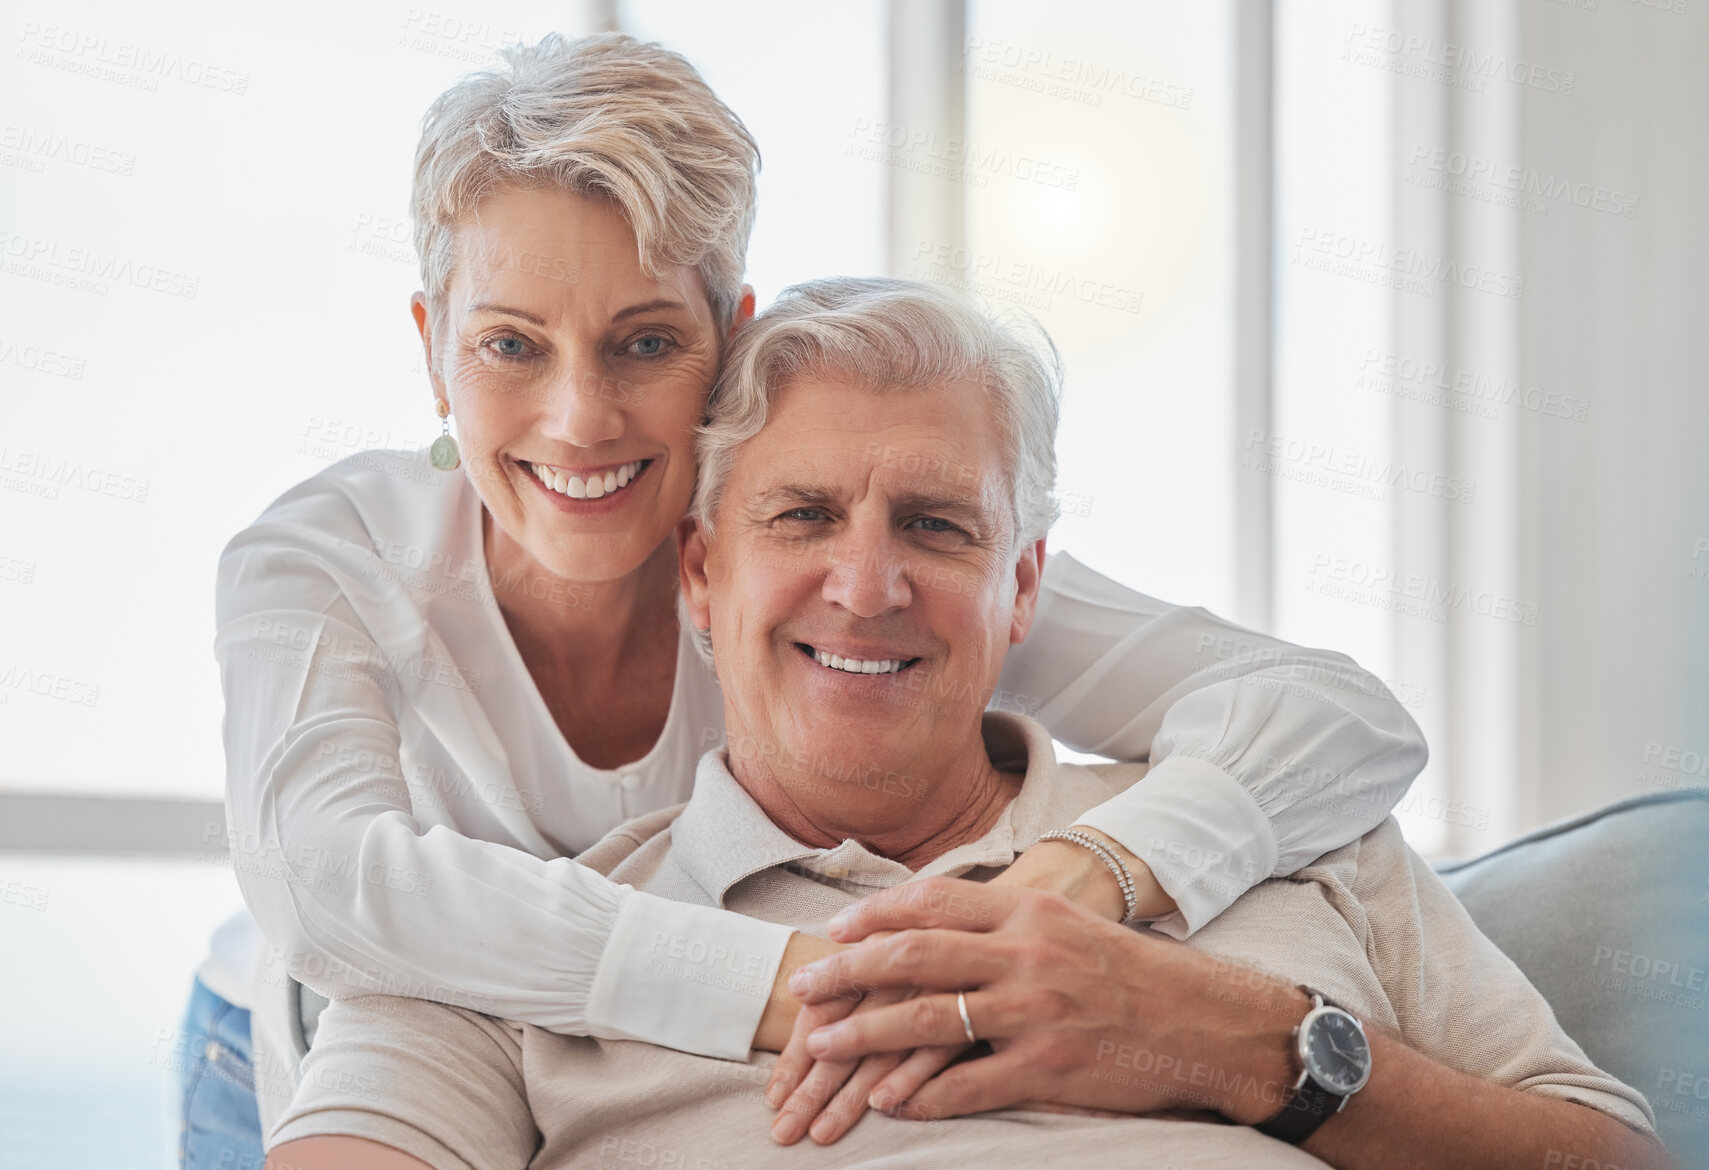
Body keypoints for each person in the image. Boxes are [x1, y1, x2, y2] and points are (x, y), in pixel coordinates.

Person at [179, 33, 1427, 1165]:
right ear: (431, 345)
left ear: (730, 331)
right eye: (509, 346)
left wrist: (1089, 874)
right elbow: (328, 885)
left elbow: (1333, 714)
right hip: (304, 1059)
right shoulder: (325, 557)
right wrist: (826, 985)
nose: (581, 420)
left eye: (645, 342)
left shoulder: (808, 558)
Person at [264, 278, 1664, 1170]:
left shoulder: (1304, 837)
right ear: (700, 571)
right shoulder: (502, 945)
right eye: (800, 516)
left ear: (1024, 587)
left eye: (933, 525)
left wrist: (1239, 1045)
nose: (866, 585)